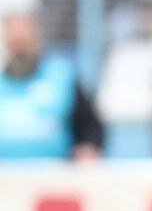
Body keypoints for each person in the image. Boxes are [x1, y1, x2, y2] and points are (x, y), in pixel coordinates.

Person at [0, 12, 102, 160]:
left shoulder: (62, 78)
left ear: (37, 39)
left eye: (25, 41)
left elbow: (89, 126)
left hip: (55, 169)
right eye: (16, 43)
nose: (21, 50)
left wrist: (88, 147)